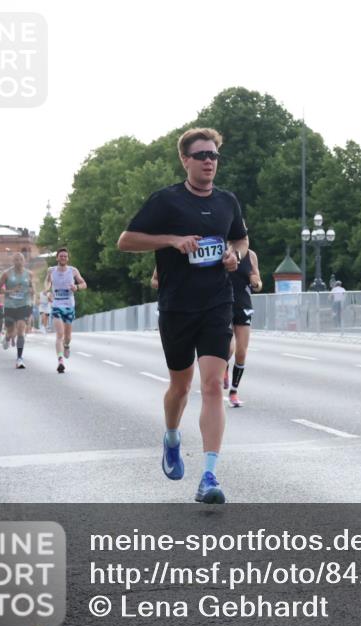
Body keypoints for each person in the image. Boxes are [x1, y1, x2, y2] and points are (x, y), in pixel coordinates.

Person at [117, 127, 249, 504]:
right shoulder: (166, 201)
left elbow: (240, 238)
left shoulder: (227, 202)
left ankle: (209, 475)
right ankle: (172, 437)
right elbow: (126, 241)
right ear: (185, 160)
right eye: (202, 155)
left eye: (214, 156)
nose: (210, 161)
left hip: (216, 303)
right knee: (180, 387)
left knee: (212, 385)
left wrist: (234, 256)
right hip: (176, 305)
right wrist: (171, 241)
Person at [226, 249, 262, 405]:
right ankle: (223, 367)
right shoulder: (222, 250)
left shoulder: (251, 255)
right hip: (223, 304)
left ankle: (234, 392)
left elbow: (258, 283)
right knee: (228, 348)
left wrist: (256, 283)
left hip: (243, 304)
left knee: (241, 352)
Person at [47, 248, 88, 373]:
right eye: (61, 256)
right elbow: (47, 283)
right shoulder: (51, 270)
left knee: (68, 336)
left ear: (67, 258)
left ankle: (66, 346)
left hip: (69, 306)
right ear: (57, 258)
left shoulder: (73, 270)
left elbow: (84, 284)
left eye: (65, 256)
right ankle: (60, 361)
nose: (63, 258)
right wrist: (48, 292)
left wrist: (76, 287)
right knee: (59, 334)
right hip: (56, 305)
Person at [0, 253, 36, 369]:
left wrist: (32, 298)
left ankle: (19, 358)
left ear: (24, 261)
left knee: (21, 330)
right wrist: (10, 291)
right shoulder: (6, 274)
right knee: (11, 331)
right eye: (16, 259)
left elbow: (33, 289)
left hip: (24, 305)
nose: (18, 261)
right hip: (10, 306)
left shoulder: (29, 274)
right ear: (13, 261)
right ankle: (7, 337)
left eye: (21, 259)